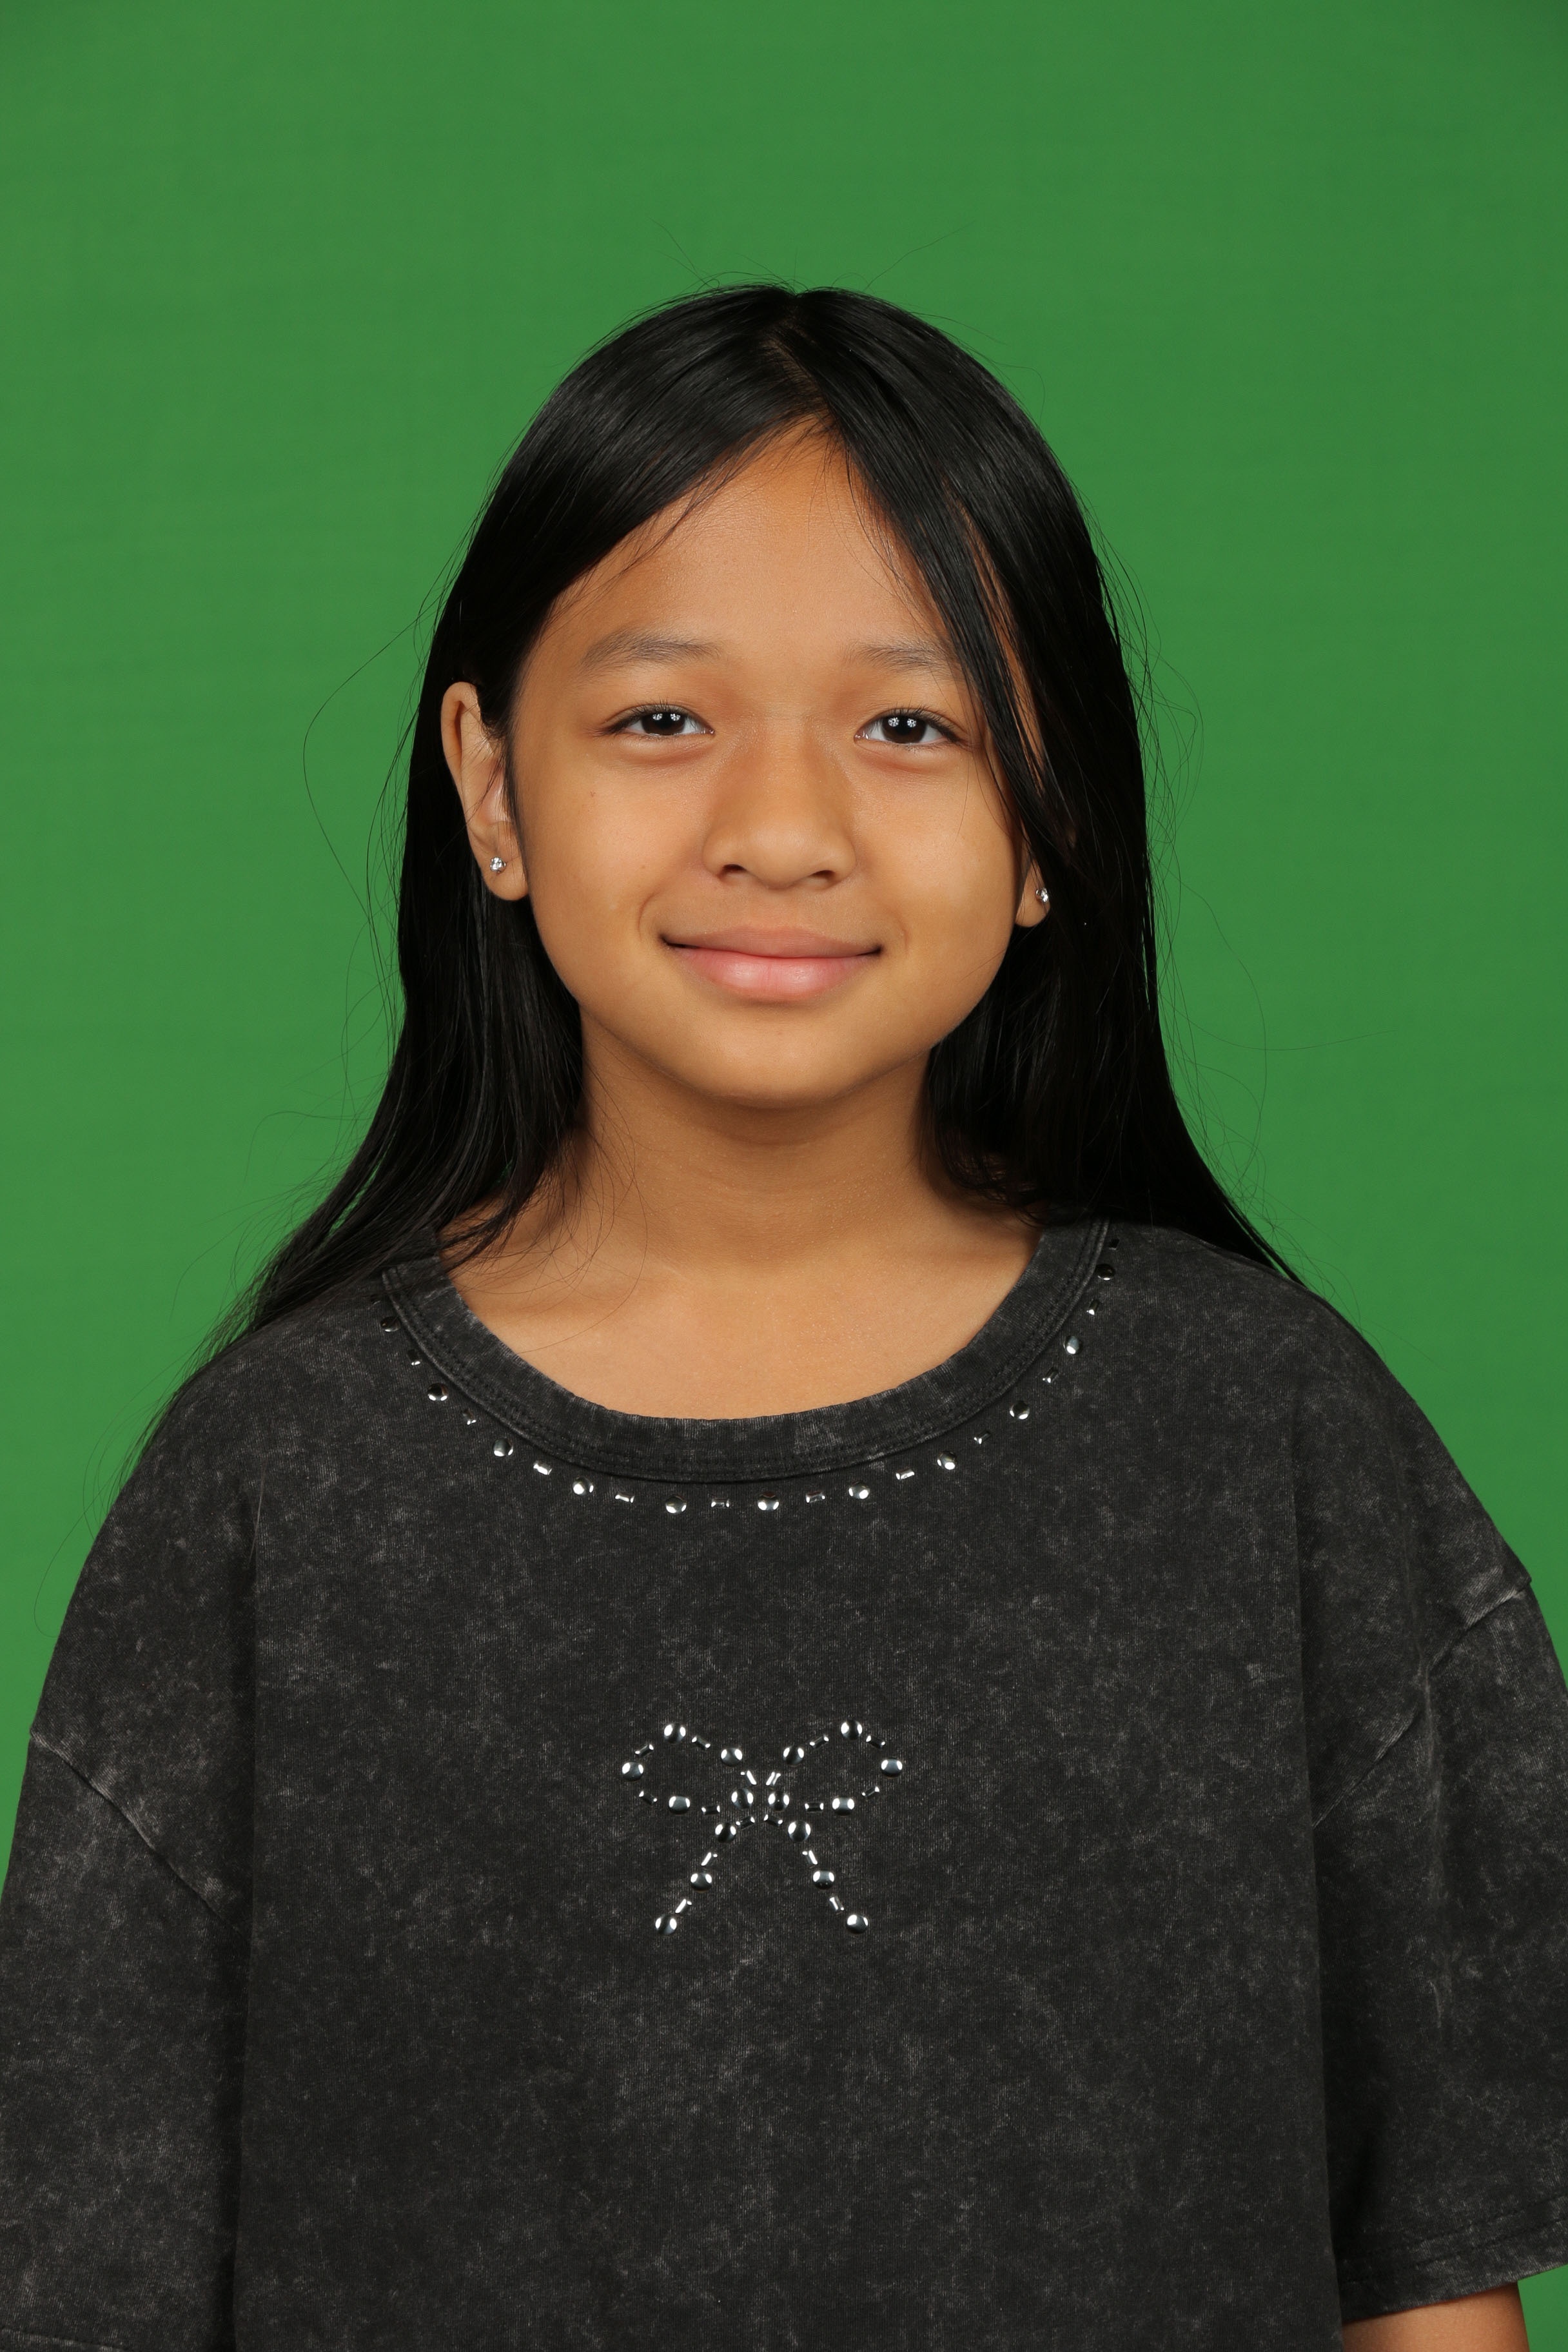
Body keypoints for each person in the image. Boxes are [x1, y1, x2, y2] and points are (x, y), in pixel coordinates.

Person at [0, 285, 1563, 2352]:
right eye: (664, 719)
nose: (781, 830)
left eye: (911, 727)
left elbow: (1433, 2271)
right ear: (490, 784)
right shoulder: (272, 1495)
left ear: (1052, 823)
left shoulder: (1271, 1439)